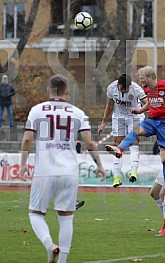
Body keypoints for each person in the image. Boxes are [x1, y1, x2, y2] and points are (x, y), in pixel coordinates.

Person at [19, 74, 106, 263]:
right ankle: (63, 260)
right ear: (67, 91)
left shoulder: (36, 110)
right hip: (69, 172)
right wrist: (99, 165)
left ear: (48, 90)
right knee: (66, 217)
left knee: (35, 213)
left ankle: (49, 244)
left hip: (44, 171)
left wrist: (24, 164)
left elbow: (27, 139)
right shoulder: (78, 112)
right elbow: (89, 143)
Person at [105, 66, 165, 205]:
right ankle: (120, 149)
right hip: (153, 121)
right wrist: (140, 110)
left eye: (142, 78)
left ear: (150, 77)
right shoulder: (146, 90)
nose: (140, 80)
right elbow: (150, 103)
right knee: (135, 131)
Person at [97, 74, 147, 187]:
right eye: (122, 88)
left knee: (134, 143)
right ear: (118, 84)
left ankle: (133, 172)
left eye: (126, 89)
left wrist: (140, 111)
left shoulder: (136, 89)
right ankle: (116, 177)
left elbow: (148, 103)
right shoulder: (111, 88)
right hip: (118, 117)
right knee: (117, 145)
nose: (124, 91)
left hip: (134, 117)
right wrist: (104, 121)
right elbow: (110, 105)